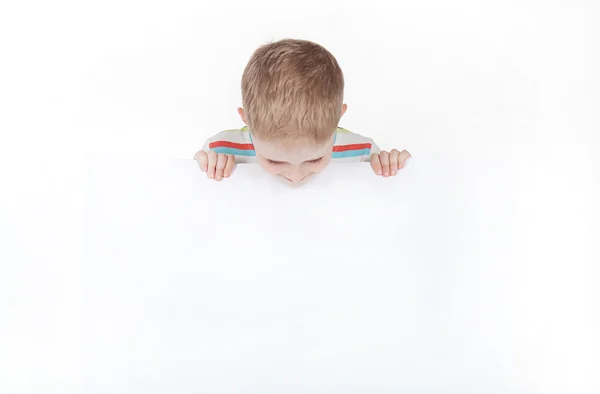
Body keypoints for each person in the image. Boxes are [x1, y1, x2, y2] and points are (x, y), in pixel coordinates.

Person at [194, 38, 411, 185]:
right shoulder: (222, 148)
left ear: (337, 119)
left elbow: (385, 198)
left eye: (316, 159)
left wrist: (391, 166)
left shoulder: (362, 153)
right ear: (247, 120)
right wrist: (209, 167)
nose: (296, 178)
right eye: (275, 161)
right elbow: (191, 191)